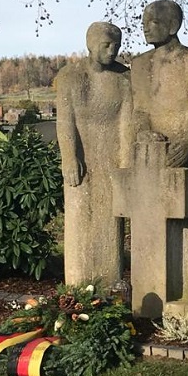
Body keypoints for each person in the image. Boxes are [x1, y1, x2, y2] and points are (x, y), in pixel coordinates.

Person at [130, 0, 188, 300]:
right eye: (144, 20)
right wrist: (144, 131)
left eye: (153, 21)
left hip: (184, 148)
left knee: (185, 221)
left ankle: (186, 288)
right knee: (149, 216)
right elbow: (140, 109)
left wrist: (187, 139)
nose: (146, 26)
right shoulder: (140, 64)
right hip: (150, 151)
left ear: (172, 26)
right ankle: (150, 287)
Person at [56, 22, 133, 285]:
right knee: (79, 220)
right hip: (81, 158)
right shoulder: (71, 77)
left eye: (117, 46)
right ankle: (77, 286)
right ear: (90, 44)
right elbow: (65, 121)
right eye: (106, 45)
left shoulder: (124, 78)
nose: (113, 51)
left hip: (112, 158)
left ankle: (109, 282)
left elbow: (127, 122)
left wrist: (125, 165)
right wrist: (68, 156)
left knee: (109, 221)